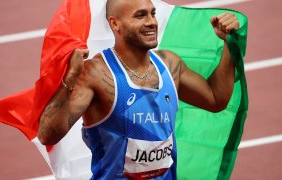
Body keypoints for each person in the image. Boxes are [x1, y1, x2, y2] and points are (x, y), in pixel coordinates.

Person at [37, 0, 239, 179]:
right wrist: (70, 78)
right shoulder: (97, 73)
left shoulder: (169, 65)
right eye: (140, 15)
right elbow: (47, 135)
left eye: (152, 13)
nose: (151, 22)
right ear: (115, 24)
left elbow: (216, 99)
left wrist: (229, 44)